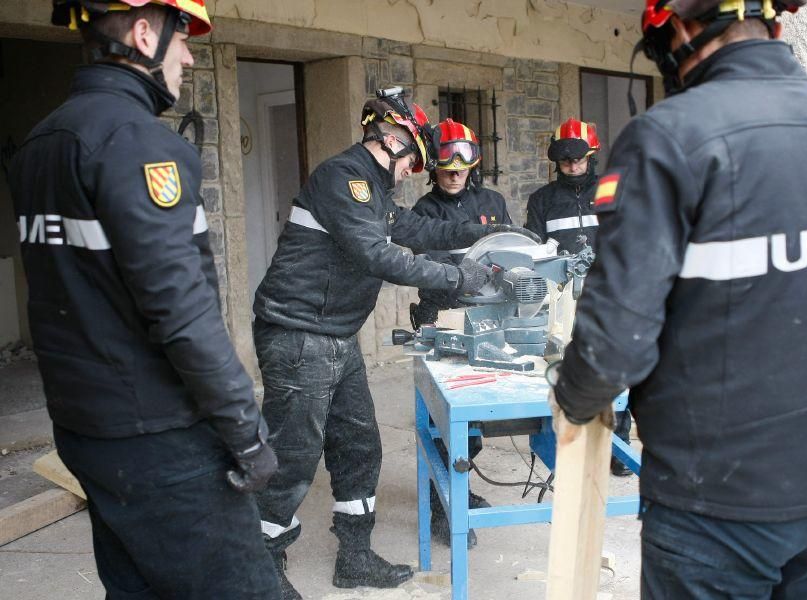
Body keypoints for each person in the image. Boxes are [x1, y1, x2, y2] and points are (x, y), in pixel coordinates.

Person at [549, 0, 807, 598]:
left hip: (712, 506)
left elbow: (616, 344)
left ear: (681, 28)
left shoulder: (668, 138)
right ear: (775, 25)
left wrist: (572, 394)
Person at [9, 1, 280, 598]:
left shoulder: (42, 141)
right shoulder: (139, 144)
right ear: (141, 33)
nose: (187, 55)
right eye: (182, 38)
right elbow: (181, 313)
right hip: (160, 436)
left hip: (85, 427)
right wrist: (246, 431)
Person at [252, 89, 538, 597]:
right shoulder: (344, 179)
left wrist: (486, 232)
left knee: (360, 447)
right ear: (390, 140)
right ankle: (259, 570)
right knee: (293, 457)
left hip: (335, 334)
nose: (414, 170)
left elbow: (417, 227)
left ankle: (355, 559)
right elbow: (378, 255)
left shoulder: (375, 189)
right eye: (414, 160)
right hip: (300, 334)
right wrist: (457, 277)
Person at [408, 118, 512, 548]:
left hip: (488, 320)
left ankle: (460, 489)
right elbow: (428, 269)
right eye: (446, 164)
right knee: (441, 419)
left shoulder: (493, 201)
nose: (454, 171)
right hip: (441, 319)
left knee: (473, 421)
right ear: (433, 167)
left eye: (463, 164)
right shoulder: (422, 213)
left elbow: (510, 252)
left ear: (475, 164)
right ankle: (442, 508)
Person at [525, 118, 634, 477]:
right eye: (566, 162)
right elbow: (534, 250)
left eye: (579, 161)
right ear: (556, 162)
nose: (573, 168)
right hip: (561, 297)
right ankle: (567, 444)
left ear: (591, 156)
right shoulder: (542, 200)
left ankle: (616, 448)